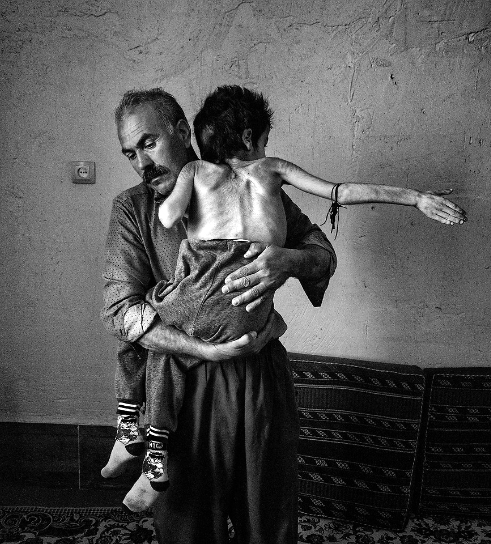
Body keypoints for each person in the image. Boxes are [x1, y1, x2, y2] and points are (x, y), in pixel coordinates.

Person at [101, 87, 337, 543]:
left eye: (149, 143)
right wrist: (206, 350)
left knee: (268, 522)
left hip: (260, 377)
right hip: (181, 390)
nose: (142, 163)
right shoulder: (132, 209)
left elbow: (321, 252)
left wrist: (288, 261)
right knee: (188, 529)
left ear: (181, 132)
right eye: (130, 153)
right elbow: (119, 312)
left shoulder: (247, 180)